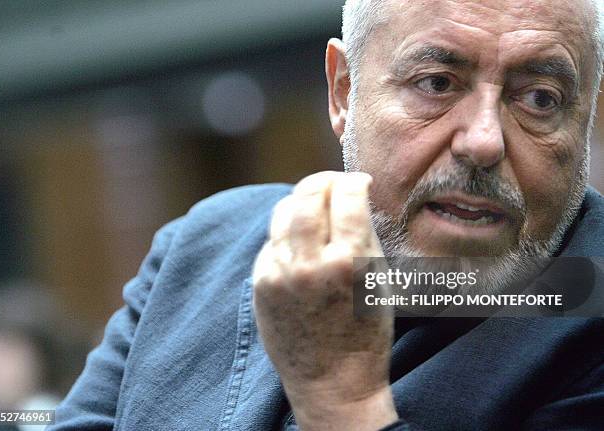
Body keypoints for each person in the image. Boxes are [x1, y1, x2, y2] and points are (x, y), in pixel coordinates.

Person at [48, 0, 604, 430]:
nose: (483, 142)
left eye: (540, 98)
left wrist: (343, 403)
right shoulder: (207, 245)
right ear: (343, 92)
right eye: (436, 84)